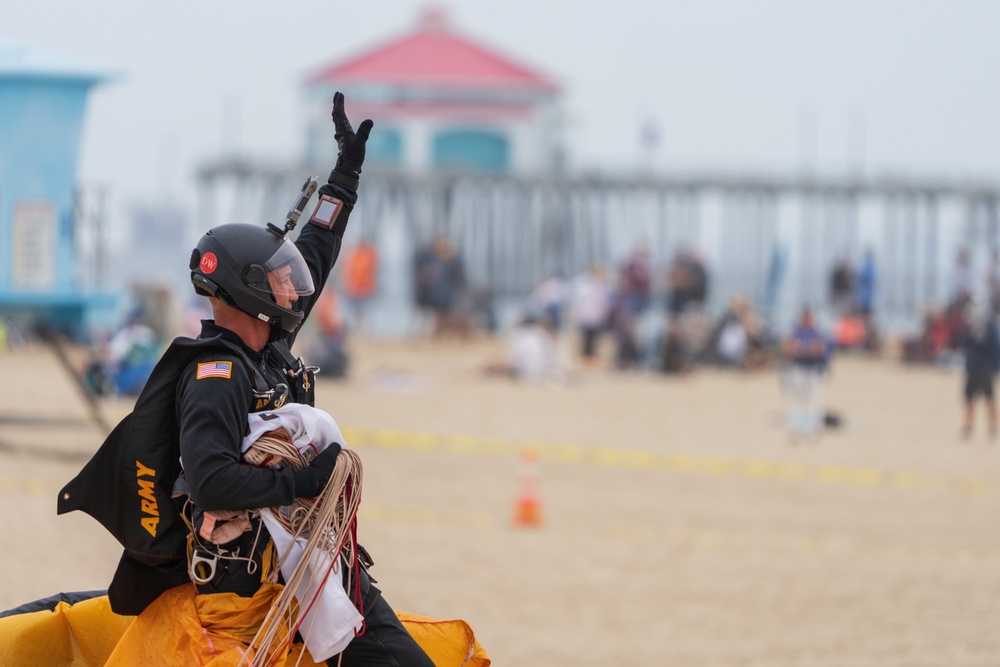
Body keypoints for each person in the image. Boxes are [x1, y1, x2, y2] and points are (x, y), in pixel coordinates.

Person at [58, 93, 433, 666]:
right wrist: (306, 481)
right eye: (280, 282)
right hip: (253, 587)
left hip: (310, 564)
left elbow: (317, 250)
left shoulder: (269, 346)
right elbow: (211, 483)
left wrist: (345, 177)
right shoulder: (218, 374)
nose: (294, 289)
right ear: (250, 292)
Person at [781, 306, 831, 440]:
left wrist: (801, 349)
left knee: (814, 401)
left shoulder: (817, 332)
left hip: (814, 369)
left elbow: (818, 350)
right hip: (798, 369)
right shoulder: (795, 331)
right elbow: (788, 348)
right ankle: (796, 428)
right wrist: (806, 349)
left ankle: (813, 429)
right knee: (796, 401)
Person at [960, 305, 1000, 440]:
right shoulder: (970, 328)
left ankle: (992, 427)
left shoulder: (990, 328)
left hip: (985, 369)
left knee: (989, 399)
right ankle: (968, 426)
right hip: (973, 368)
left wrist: (995, 367)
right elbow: (963, 344)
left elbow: (995, 348)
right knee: (969, 399)